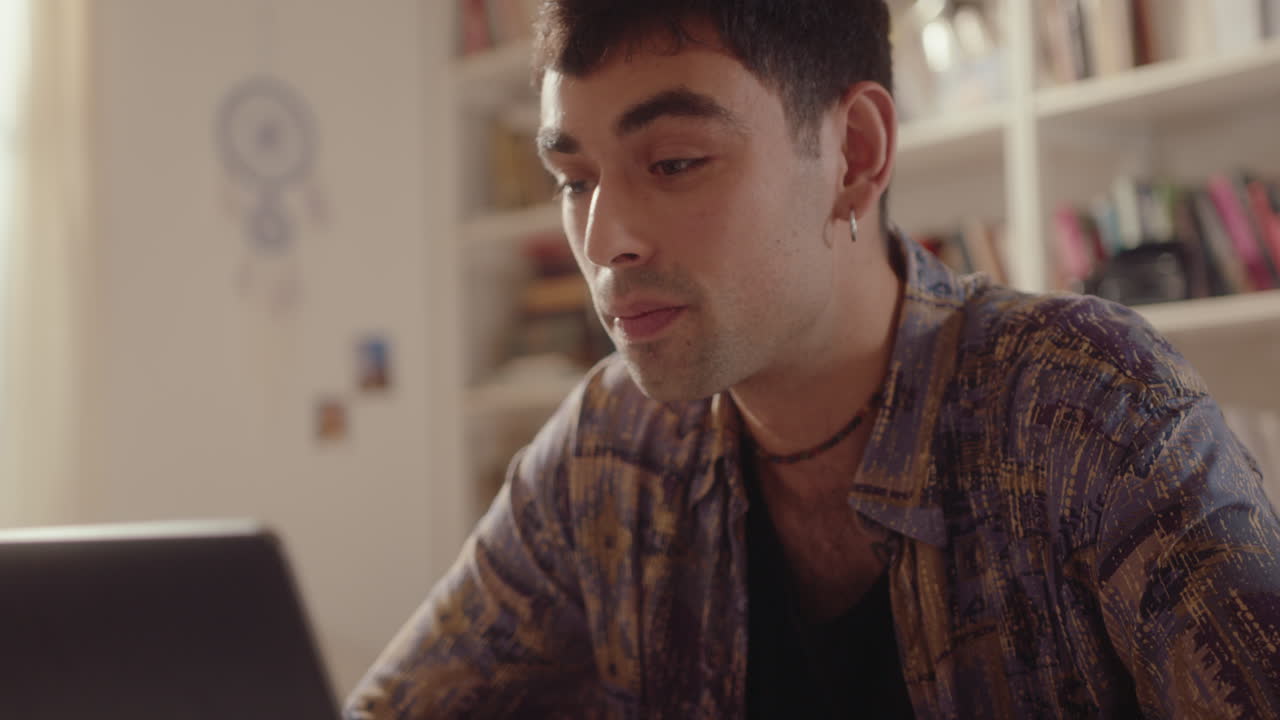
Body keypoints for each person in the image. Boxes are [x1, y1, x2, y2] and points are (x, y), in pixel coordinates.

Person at [346, 1, 1280, 717]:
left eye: (673, 163)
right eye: (574, 179)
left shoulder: (1086, 408)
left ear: (854, 155)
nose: (603, 240)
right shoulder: (608, 453)